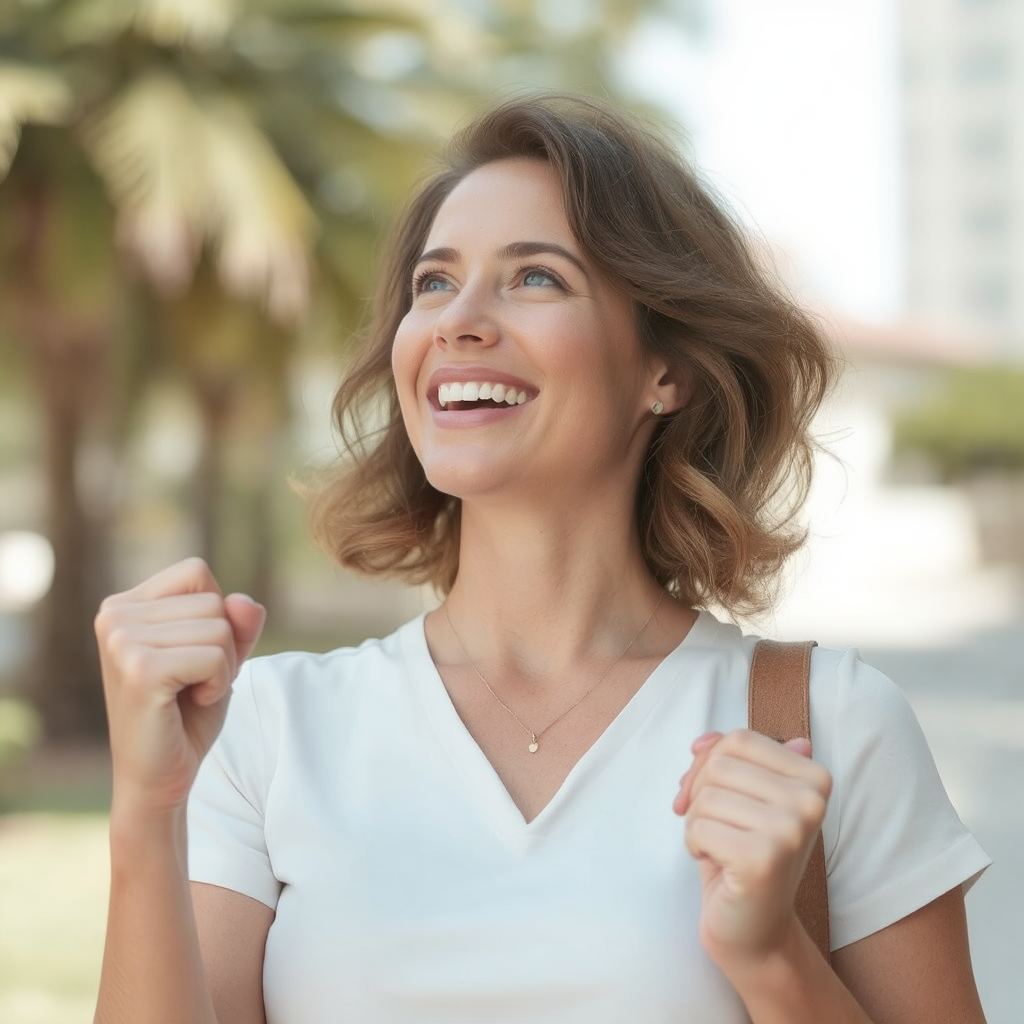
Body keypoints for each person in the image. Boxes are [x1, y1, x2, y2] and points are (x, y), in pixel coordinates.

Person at [93, 95, 990, 1024]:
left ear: (666, 370)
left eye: (535, 279)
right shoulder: (270, 734)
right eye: (435, 284)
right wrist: (147, 816)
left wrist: (769, 960)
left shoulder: (830, 727)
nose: (459, 321)